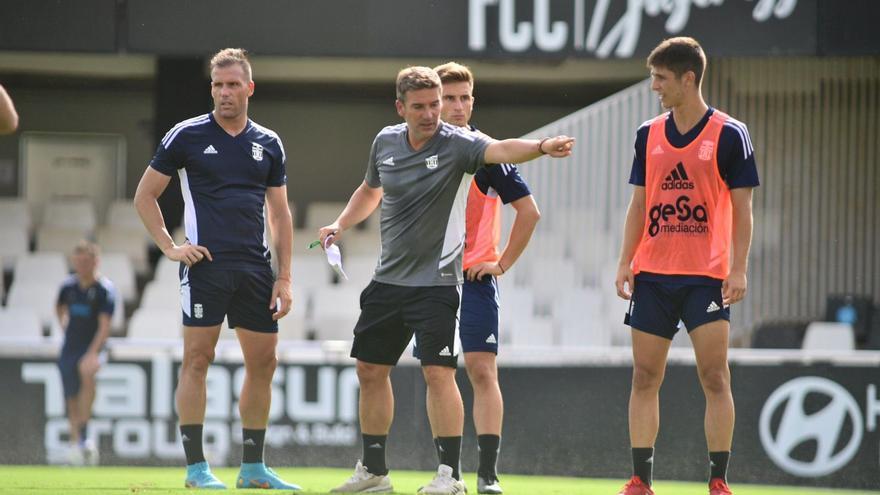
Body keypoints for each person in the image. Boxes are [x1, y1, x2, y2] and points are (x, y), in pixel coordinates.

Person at [321, 66, 572, 495]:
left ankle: (450, 476)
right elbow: (369, 188)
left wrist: (543, 146)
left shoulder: (459, 144)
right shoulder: (384, 142)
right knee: (368, 370)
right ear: (400, 108)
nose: (432, 114)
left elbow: (501, 149)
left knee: (440, 373)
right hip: (388, 279)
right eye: (421, 106)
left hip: (437, 283)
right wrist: (341, 223)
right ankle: (375, 472)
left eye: (436, 104)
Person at [133, 48, 298, 491]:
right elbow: (144, 196)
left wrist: (284, 277)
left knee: (264, 362)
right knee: (197, 360)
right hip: (205, 265)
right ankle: (195, 470)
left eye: (232, 84)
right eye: (217, 85)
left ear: (249, 88)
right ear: (211, 88)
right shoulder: (185, 135)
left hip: (256, 269)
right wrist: (170, 247)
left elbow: (280, 216)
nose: (224, 92)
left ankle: (252, 469)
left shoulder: (269, 143)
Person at [614, 37, 759, 495]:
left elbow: (743, 210)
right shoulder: (647, 133)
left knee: (715, 376)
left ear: (688, 78)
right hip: (653, 275)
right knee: (644, 376)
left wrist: (738, 269)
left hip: (707, 277)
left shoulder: (730, 133)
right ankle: (640, 479)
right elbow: (639, 204)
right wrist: (625, 260)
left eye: (660, 78)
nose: (654, 86)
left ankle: (718, 480)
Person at [429, 61, 540, 495]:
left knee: (480, 371)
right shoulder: (418, 149)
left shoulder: (487, 154)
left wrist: (500, 263)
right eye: (449, 99)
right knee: (437, 373)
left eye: (464, 98)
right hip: (432, 281)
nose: (457, 107)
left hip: (474, 280)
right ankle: (447, 474)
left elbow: (529, 212)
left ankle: (488, 475)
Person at [56, 241, 116, 466]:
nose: (81, 266)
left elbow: (104, 326)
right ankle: (76, 440)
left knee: (86, 371)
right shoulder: (68, 288)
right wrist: (63, 326)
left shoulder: (104, 290)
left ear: (95, 262)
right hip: (70, 347)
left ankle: (85, 433)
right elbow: (59, 307)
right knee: (70, 394)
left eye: (86, 261)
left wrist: (92, 352)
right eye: (78, 261)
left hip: (93, 347)